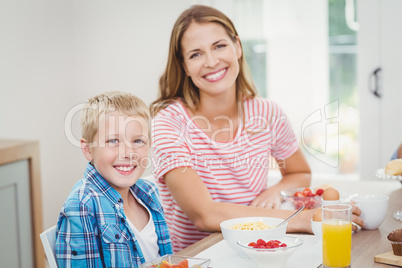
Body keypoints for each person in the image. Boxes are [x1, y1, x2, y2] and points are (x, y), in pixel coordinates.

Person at [150, 5, 364, 252]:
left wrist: (275, 191)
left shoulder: (267, 112)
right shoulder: (169, 123)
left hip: (260, 248)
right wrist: (300, 220)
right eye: (196, 54)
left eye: (219, 46)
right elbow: (204, 215)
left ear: (237, 47)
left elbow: (299, 173)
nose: (211, 61)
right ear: (185, 66)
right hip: (200, 257)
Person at [55, 91, 172, 267]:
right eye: (113, 141)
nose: (128, 153)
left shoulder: (148, 192)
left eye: (138, 141)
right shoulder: (82, 206)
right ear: (87, 149)